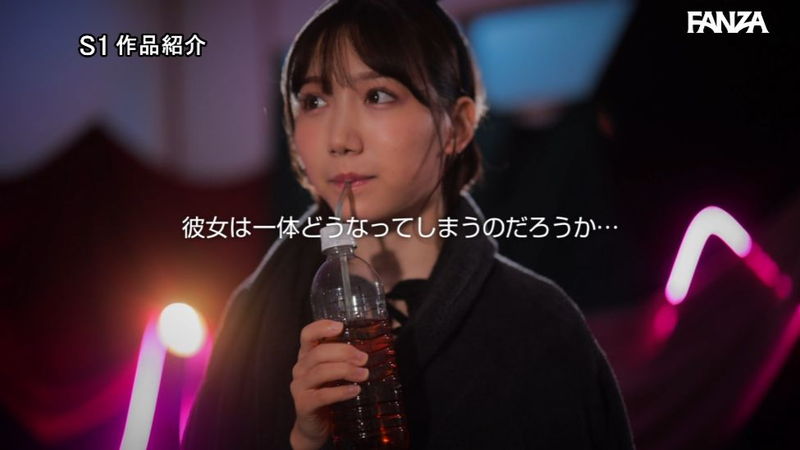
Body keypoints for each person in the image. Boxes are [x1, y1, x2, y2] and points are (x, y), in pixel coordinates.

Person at [182, 0, 636, 449]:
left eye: (378, 96)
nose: (340, 139)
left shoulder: (539, 325)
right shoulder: (254, 315)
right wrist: (303, 441)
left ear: (457, 126)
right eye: (314, 101)